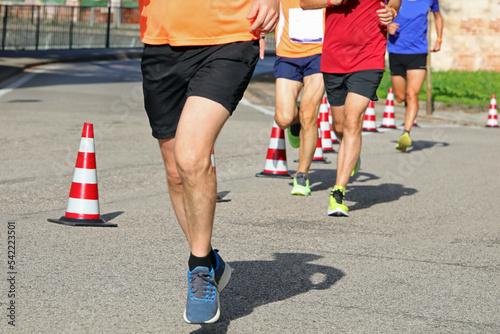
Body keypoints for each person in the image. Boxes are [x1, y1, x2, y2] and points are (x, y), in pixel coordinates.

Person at [138, 0, 279, 324]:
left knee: (190, 158)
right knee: (176, 172)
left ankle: (199, 267)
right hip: (161, 41)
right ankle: (212, 261)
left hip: (229, 35)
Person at [300, 0, 400, 216]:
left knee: (353, 119)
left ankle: (338, 193)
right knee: (340, 126)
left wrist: (391, 11)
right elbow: (304, 3)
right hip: (334, 57)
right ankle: (351, 154)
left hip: (368, 57)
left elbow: (395, 1)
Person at [273, 0, 325, 196]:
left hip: (320, 53)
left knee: (309, 112)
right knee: (283, 118)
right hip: (288, 54)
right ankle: (297, 121)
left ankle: (302, 174)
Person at [387, 0, 443, 152]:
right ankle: (410, 112)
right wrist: (387, 26)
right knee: (400, 97)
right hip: (396, 52)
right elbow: (376, 16)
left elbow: (438, 16)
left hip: (418, 52)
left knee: (412, 94)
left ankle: (406, 132)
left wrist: (439, 39)